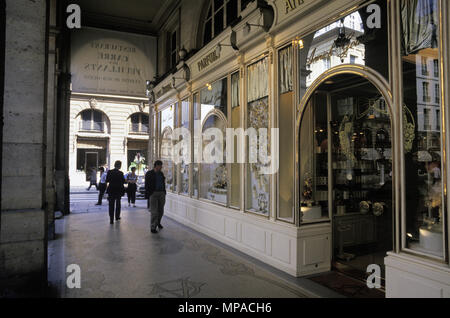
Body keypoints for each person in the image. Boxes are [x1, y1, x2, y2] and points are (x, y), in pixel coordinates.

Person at [145, 160, 166, 234]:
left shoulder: (161, 173)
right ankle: (153, 227)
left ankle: (158, 223)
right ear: (156, 165)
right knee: (154, 211)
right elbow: (146, 185)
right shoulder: (149, 173)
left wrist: (164, 192)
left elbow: (163, 183)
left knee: (161, 211)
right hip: (153, 193)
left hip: (161, 193)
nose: (161, 167)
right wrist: (149, 194)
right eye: (160, 165)